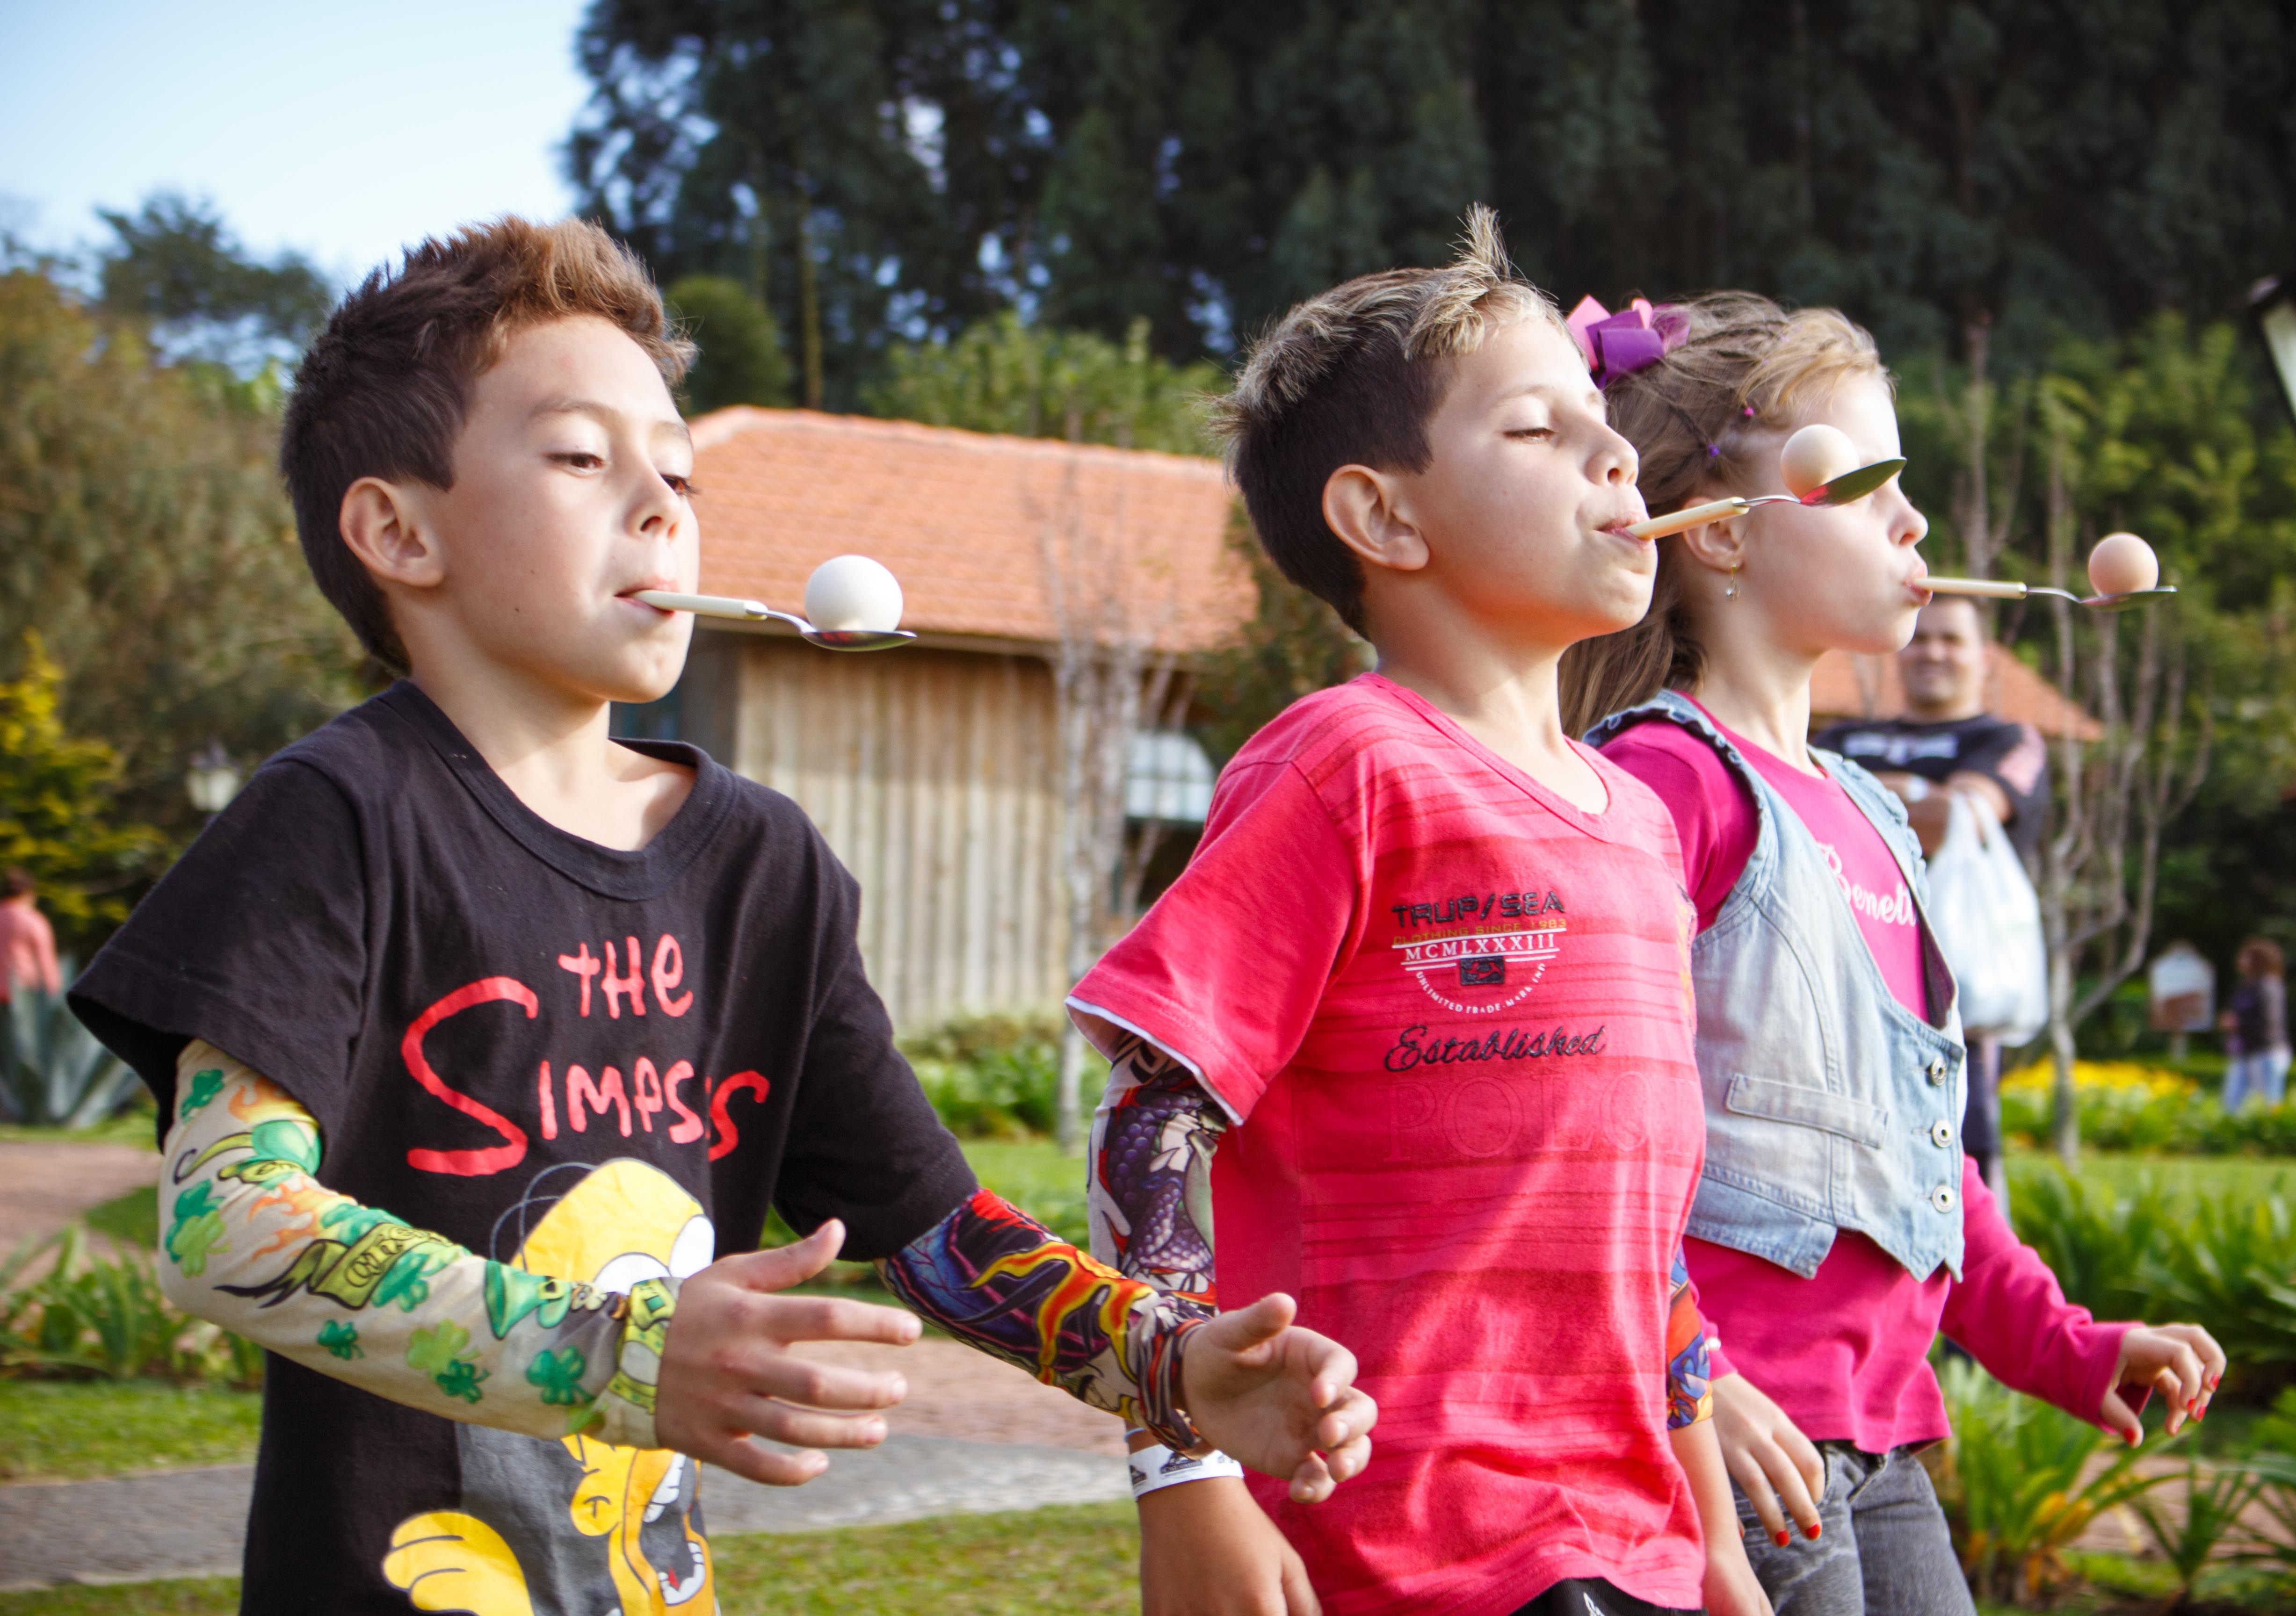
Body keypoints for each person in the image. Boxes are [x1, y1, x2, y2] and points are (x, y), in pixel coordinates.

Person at [68, 217, 1375, 1616]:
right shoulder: (339, 815)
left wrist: (1163, 1361)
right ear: (399, 529)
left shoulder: (763, 866)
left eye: (678, 469)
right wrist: (609, 1352)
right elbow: (228, 1224)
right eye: (582, 456)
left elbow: (933, 1235)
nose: (661, 502)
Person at [1068, 211, 1767, 1616]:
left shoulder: (1639, 824)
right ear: (1383, 516)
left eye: (1603, 421)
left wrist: (1725, 1558)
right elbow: (1154, 1119)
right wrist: (1184, 1475)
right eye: (1537, 431)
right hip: (1387, 1554)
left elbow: (1643, 1245)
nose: (1614, 454)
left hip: (1635, 1551)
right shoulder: (1343, 767)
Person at [1560, 291, 2226, 1616]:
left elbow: (1927, 1160)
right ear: (1729, 535)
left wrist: (2068, 1347)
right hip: (1743, 1435)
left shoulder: (1875, 817)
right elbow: (1589, 1137)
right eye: (1864, 479)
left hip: (1885, 1435)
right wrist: (1696, 1378)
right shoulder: (1655, 788)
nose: (1914, 524)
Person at [1814, 598, 2050, 1192]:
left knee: (1956, 1175)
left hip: (1946, 1002)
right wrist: (1919, 795)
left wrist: (1847, 792)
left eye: (1952, 639)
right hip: (1834, 981)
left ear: (1986, 658)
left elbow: (1957, 820)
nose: (1933, 652)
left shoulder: (2006, 738)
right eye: (1921, 638)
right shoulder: (1846, 732)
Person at [2220, 938, 2291, 1112]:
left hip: (2266, 1052)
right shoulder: (2245, 986)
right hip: (2246, 1051)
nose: (2240, 960)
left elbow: (2270, 1022)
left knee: (2270, 1103)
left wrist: (2238, 1023)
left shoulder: (2269, 986)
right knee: (2232, 1103)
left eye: (2245, 957)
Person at [0, 869, 61, 1002]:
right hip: (21, 996)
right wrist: (54, 993)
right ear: (29, 894)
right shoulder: (34, 921)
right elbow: (46, 963)